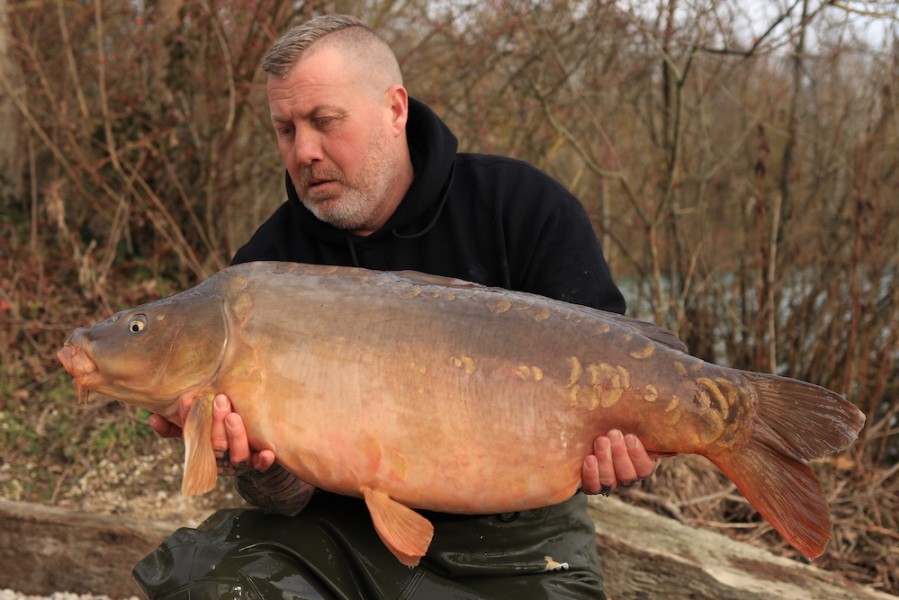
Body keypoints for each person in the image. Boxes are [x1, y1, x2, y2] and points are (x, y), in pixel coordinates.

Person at [135, 14, 656, 599]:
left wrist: (623, 458)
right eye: (285, 129)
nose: (304, 151)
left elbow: (622, 385)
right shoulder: (266, 267)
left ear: (395, 109)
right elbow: (286, 496)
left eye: (325, 122)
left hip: (523, 540)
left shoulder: (522, 208)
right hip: (340, 529)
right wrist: (253, 466)